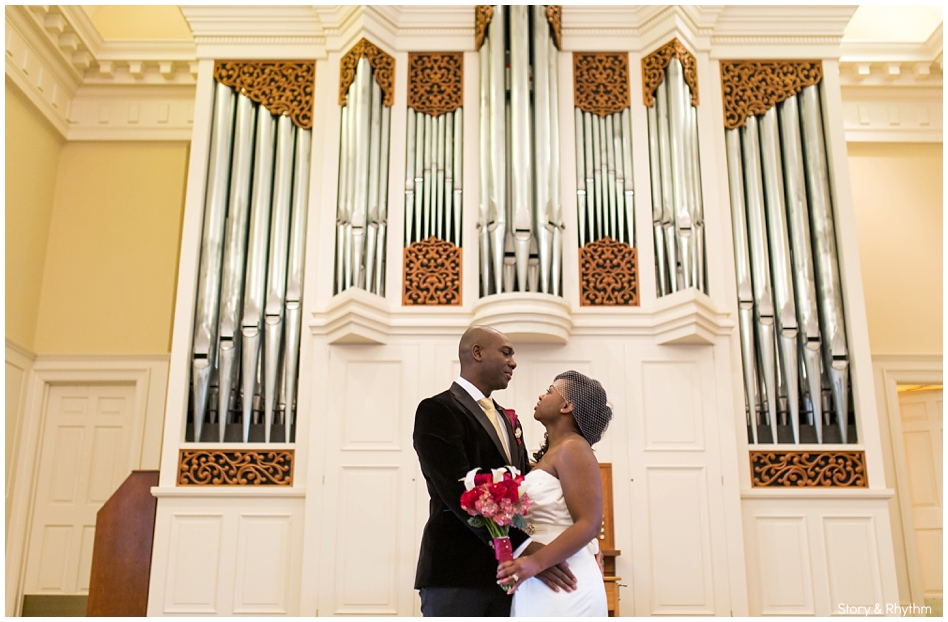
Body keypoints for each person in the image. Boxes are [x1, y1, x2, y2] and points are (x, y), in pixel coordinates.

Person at [412, 326, 577, 617]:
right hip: (458, 573)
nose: (513, 362)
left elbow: (527, 486)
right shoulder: (437, 410)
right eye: (506, 352)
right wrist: (522, 547)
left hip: (510, 579)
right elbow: (457, 490)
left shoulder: (507, 418)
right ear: (477, 352)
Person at [496, 370, 613, 617]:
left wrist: (535, 562)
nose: (541, 395)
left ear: (566, 406)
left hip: (565, 576)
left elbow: (590, 524)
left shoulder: (573, 447)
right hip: (540, 577)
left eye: (550, 391)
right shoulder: (553, 453)